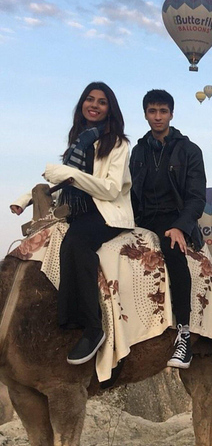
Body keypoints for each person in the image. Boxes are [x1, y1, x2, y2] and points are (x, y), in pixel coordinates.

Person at [10, 82, 133, 365]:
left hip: (106, 213)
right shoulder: (80, 141)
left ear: (110, 109)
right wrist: (27, 197)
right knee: (32, 248)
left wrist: (68, 173)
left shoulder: (117, 143)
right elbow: (64, 181)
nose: (95, 105)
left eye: (102, 102)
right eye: (89, 100)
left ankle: (92, 327)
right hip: (74, 210)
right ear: (81, 106)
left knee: (75, 244)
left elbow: (111, 189)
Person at [130, 89, 206, 369]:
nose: (157, 117)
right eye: (152, 111)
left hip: (173, 218)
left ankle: (183, 332)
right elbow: (130, 193)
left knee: (174, 253)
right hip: (141, 218)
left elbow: (197, 197)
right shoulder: (138, 151)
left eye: (163, 111)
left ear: (172, 114)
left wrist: (180, 227)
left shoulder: (189, 151)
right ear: (145, 114)